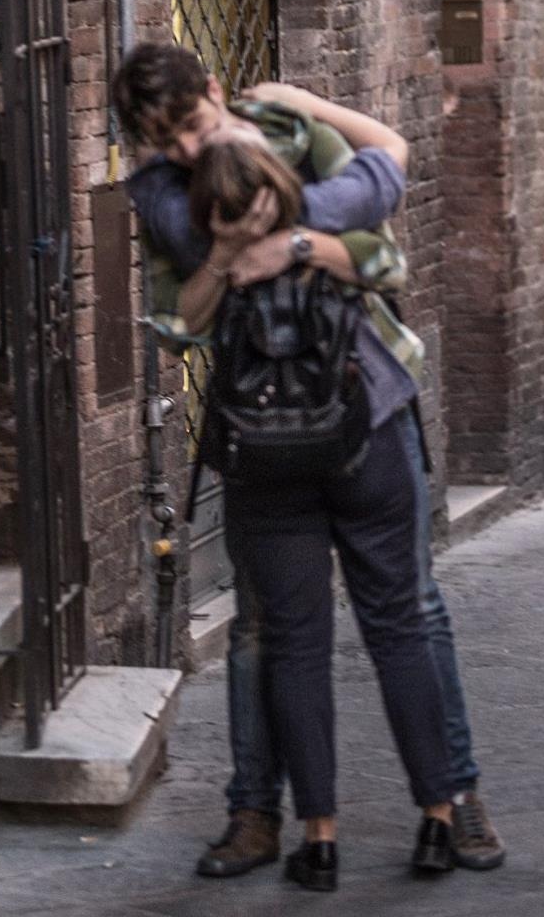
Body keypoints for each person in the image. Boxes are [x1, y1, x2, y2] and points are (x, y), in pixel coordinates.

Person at [110, 44, 504, 880]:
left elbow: (385, 258)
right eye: (162, 139)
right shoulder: (164, 198)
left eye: (188, 124)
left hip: (365, 400)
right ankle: (261, 815)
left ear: (215, 92)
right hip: (263, 422)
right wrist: (222, 260)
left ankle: (452, 799)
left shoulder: (290, 133)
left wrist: (291, 244)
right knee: (273, 632)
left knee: (402, 611)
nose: (183, 149)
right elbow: (175, 327)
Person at [187, 120, 453, 888]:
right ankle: (437, 818)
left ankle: (321, 838)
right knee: (397, 624)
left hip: (265, 463)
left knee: (297, 646)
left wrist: (226, 257)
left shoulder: (213, 256)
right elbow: (388, 261)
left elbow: (181, 328)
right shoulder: (321, 216)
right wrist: (298, 243)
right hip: (360, 435)